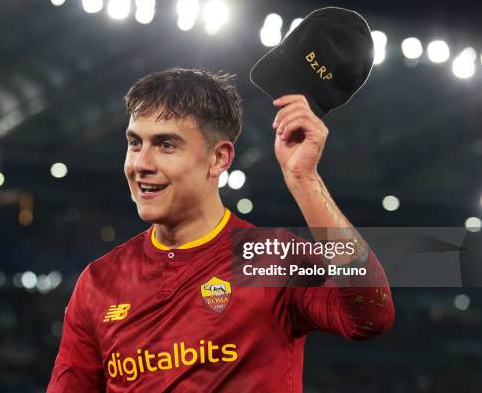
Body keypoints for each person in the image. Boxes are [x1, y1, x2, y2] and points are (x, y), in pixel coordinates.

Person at [47, 68, 394, 392]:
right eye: (135, 143)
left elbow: (371, 315)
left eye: (166, 145)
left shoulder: (272, 260)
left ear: (219, 159)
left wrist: (305, 180)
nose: (141, 164)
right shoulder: (98, 282)